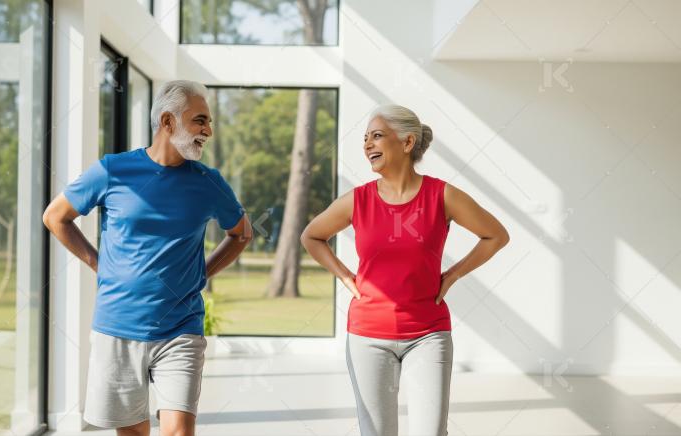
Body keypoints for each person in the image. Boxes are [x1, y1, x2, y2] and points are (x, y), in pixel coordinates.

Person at [43, 80, 252, 436]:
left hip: (181, 329)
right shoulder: (113, 170)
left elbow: (241, 233)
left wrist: (202, 274)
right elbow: (55, 217)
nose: (208, 131)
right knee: (133, 433)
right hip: (117, 327)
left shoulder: (208, 182)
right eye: (200, 120)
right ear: (168, 122)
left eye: (210, 122)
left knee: (179, 432)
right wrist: (97, 263)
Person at [301, 104, 509, 435]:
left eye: (378, 136)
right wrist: (344, 275)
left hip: (428, 335)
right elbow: (312, 235)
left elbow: (496, 235)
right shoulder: (357, 200)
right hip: (367, 335)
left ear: (407, 143)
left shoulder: (443, 196)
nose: (368, 144)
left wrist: (452, 275)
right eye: (365, 138)